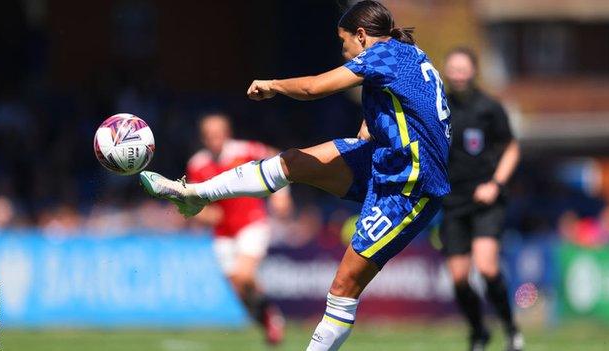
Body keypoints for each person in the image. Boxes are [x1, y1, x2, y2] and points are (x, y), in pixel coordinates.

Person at [140, 1, 451, 349]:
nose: (343, 48)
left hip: (410, 185)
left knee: (344, 285)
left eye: (343, 40)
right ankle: (195, 195)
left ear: (361, 36)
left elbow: (314, 88)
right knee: (294, 162)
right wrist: (373, 124)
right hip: (387, 159)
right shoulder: (406, 55)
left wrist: (272, 85)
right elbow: (409, 106)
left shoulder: (383, 57)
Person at [440, 47, 523, 351]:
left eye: (464, 69)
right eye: (454, 69)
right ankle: (478, 332)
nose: (459, 74)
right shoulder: (439, 107)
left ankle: (512, 329)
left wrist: (496, 184)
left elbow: (512, 149)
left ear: (474, 71)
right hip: (452, 201)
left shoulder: (489, 108)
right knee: (459, 279)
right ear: (446, 72)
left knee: (487, 267)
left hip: (486, 200)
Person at [187, 112, 292, 345]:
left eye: (218, 134)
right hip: (223, 233)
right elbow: (193, 204)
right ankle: (267, 320)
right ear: (203, 138)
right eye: (209, 136)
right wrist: (205, 215)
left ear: (227, 134)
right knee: (239, 289)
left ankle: (272, 317)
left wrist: (281, 194)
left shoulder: (245, 151)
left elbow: (279, 159)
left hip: (252, 222)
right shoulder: (197, 164)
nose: (214, 139)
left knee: (243, 275)